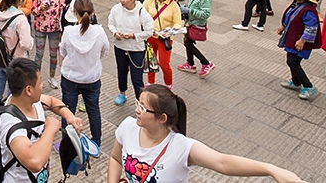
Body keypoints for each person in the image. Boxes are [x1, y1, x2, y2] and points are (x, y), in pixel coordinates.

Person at [107, 85, 307, 183]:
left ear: (162, 118)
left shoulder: (181, 147)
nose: (137, 110)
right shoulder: (128, 127)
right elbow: (116, 158)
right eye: (138, 103)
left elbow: (222, 162)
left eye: (143, 107)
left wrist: (271, 169)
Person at [0, 58, 84, 183]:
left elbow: (51, 101)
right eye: (40, 82)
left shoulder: (30, 101)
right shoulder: (11, 125)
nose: (42, 85)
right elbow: (35, 162)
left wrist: (69, 115)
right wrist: (50, 129)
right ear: (28, 90)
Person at [59, 0, 109, 146]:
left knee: (67, 111)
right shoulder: (99, 32)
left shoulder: (68, 32)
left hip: (70, 77)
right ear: (92, 13)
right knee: (93, 109)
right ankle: (96, 141)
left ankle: (67, 142)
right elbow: (105, 52)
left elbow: (63, 52)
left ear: (75, 13)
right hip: (92, 78)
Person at [108, 0, 153, 106]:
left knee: (136, 77)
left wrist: (134, 36)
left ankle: (141, 100)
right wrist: (115, 32)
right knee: (121, 71)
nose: (122, 1)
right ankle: (122, 93)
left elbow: (149, 31)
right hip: (120, 46)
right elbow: (111, 23)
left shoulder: (141, 12)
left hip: (136, 49)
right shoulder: (116, 9)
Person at [277, 0, 322, 100]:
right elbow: (290, 17)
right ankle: (296, 82)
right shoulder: (296, 4)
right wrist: (283, 26)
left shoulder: (308, 10)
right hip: (292, 39)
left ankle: (308, 86)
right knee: (290, 60)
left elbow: (312, 27)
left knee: (293, 62)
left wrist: (303, 40)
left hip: (300, 42)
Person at [0, 0, 33, 103]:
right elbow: (26, 44)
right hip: (16, 59)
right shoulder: (20, 18)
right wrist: (32, 41)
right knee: (13, 91)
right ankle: (9, 114)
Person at [143, 0, 183, 89]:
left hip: (165, 39)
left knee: (164, 63)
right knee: (151, 60)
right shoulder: (149, 1)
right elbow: (142, 15)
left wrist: (172, 29)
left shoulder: (174, 5)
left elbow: (178, 23)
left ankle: (168, 84)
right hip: (150, 36)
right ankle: (150, 82)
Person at [177, 0, 215, 77]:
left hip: (197, 24)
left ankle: (206, 63)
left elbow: (206, 13)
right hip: (189, 22)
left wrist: (191, 11)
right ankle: (190, 63)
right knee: (187, 41)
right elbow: (188, 4)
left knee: (188, 43)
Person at [31, 0, 65, 89]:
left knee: (53, 54)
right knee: (39, 54)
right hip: (40, 28)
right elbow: (33, 11)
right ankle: (36, 78)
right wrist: (40, 9)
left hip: (54, 29)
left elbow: (62, 10)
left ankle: (52, 76)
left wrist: (62, 29)